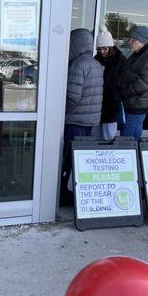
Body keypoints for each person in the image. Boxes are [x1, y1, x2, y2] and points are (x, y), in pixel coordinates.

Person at [60, 28, 103, 203]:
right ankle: (82, 195)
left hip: (75, 120)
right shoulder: (96, 64)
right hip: (91, 121)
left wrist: (61, 113)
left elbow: (72, 96)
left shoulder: (77, 64)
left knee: (68, 160)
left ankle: (64, 194)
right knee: (82, 161)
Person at [118, 26, 148, 140]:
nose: (130, 41)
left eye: (134, 39)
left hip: (137, 105)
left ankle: (130, 157)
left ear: (143, 41)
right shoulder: (138, 55)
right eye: (131, 38)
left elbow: (143, 84)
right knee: (128, 137)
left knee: (128, 140)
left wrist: (123, 92)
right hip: (131, 103)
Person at [93, 27, 126, 140]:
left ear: (111, 48)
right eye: (99, 49)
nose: (102, 52)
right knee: (95, 136)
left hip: (111, 104)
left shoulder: (121, 61)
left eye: (105, 49)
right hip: (98, 103)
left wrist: (116, 97)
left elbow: (123, 81)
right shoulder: (96, 59)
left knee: (108, 136)